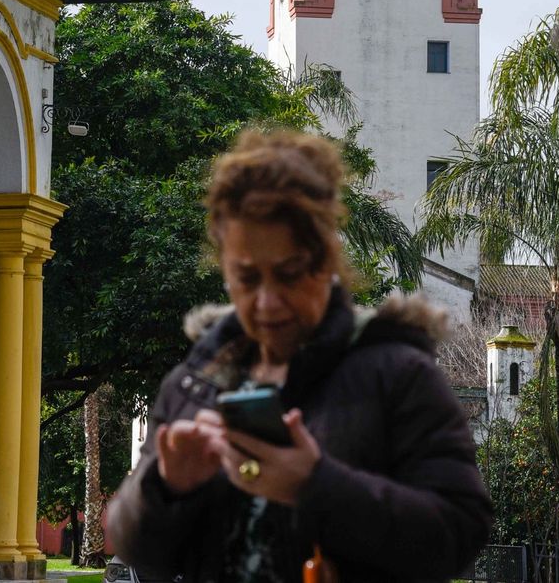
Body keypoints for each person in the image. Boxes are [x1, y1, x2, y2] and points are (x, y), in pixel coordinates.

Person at [107, 129, 491, 582]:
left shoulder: (396, 372)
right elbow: (132, 544)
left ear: (326, 262)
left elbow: (460, 534)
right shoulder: (198, 379)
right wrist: (165, 487)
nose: (267, 302)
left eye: (288, 275)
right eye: (246, 279)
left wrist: (316, 485)